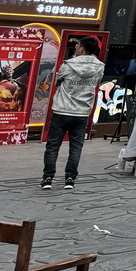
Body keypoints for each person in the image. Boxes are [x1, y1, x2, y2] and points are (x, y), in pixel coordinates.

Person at [41, 36, 104, 190]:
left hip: (62, 110)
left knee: (53, 146)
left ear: (81, 49)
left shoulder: (67, 65)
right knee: (76, 147)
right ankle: (70, 178)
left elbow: (55, 82)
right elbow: (97, 81)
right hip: (82, 113)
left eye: (77, 45)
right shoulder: (99, 67)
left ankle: (48, 178)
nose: (75, 47)